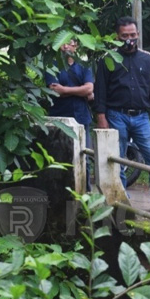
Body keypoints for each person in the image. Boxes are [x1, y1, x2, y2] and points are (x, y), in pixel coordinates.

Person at [94, 16, 150, 212]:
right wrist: (101, 116)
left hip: (141, 117)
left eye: (132, 35)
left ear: (138, 34)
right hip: (116, 114)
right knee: (117, 157)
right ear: (117, 36)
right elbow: (100, 91)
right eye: (124, 36)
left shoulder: (147, 59)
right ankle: (122, 199)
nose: (129, 39)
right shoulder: (108, 58)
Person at [44, 39, 94, 192]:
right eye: (62, 43)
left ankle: (85, 193)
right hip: (58, 119)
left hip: (81, 118)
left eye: (70, 43)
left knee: (84, 158)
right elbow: (54, 90)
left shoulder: (84, 65)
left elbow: (89, 89)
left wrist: (65, 90)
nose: (66, 46)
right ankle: (58, 193)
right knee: (58, 157)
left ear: (76, 46)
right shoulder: (51, 65)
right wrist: (81, 91)